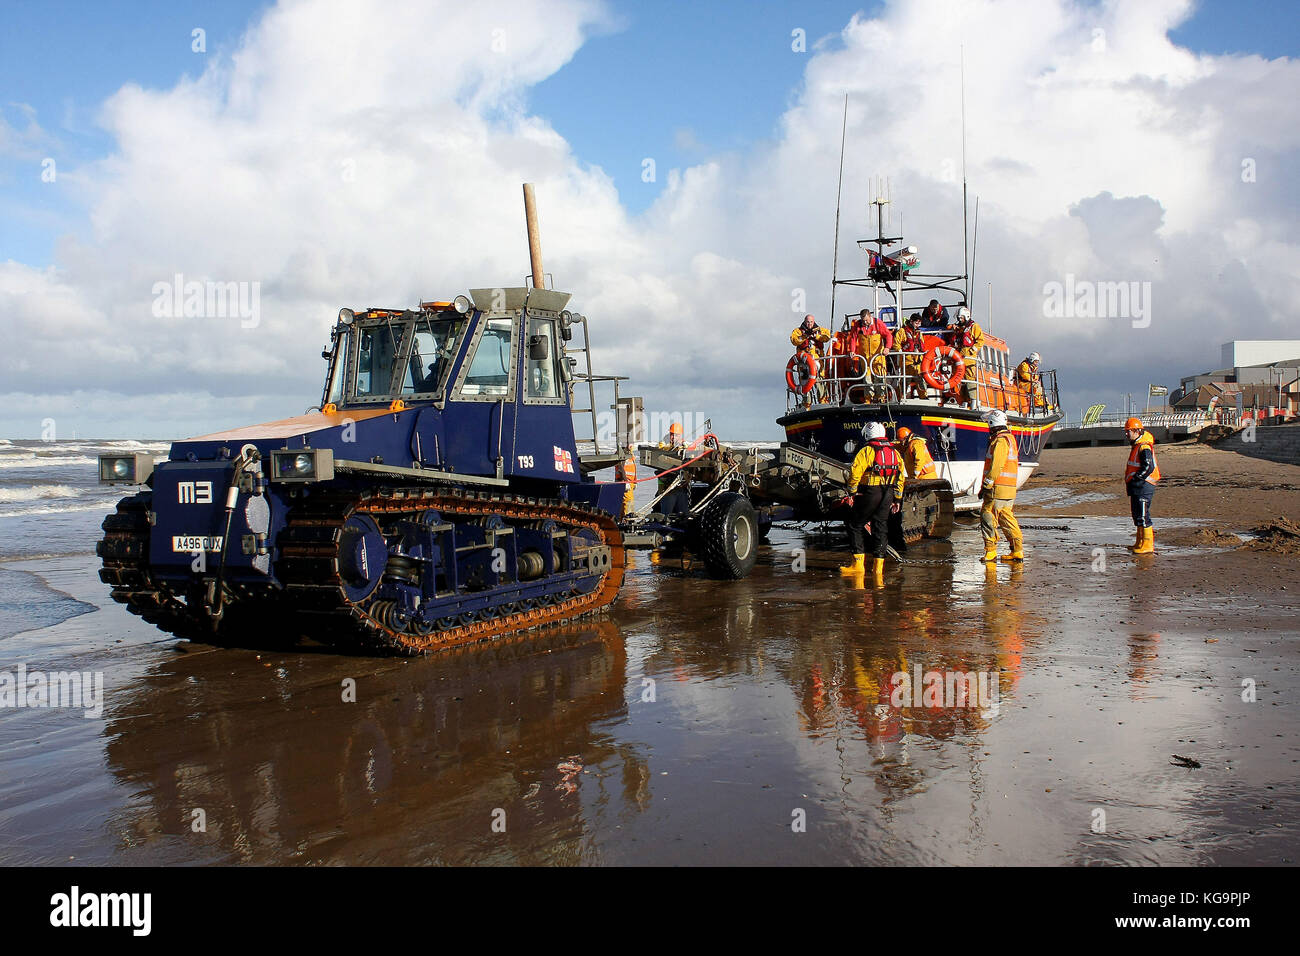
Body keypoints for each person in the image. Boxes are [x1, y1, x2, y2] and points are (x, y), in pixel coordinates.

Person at [839, 421, 905, 582]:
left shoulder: (867, 450)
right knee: (880, 526)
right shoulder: (895, 453)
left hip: (870, 492)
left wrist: (852, 492)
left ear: (867, 435)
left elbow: (855, 472)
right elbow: (901, 476)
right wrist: (897, 498)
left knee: (855, 524)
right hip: (888, 493)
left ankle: (858, 565)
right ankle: (878, 569)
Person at [979, 409, 1023, 562]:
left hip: (997, 488)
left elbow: (996, 466)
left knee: (987, 516)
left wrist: (986, 485)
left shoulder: (999, 441)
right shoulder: (1010, 439)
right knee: (1006, 518)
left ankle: (990, 551)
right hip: (1008, 489)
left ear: (992, 424)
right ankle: (1017, 550)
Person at [1123, 417, 1160, 554]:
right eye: (1126, 431)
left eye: (1129, 431)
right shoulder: (1137, 445)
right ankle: (1140, 542)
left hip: (1144, 485)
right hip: (1137, 486)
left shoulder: (1144, 446)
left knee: (1143, 515)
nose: (1127, 434)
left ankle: (1148, 544)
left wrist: (1138, 478)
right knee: (1137, 514)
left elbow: (1148, 467)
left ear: (1137, 431)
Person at [952, 307, 985, 407]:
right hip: (960, 356)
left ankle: (973, 401)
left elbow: (980, 340)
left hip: (969, 358)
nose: (959, 320)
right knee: (960, 380)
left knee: (970, 379)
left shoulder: (974, 327)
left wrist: (972, 350)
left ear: (966, 317)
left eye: (961, 318)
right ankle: (963, 401)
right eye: (959, 318)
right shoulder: (960, 328)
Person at [656, 423, 690, 516]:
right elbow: (661, 449)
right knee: (666, 514)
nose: (673, 437)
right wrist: (673, 447)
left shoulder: (683, 444)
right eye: (672, 434)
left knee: (683, 514)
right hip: (666, 486)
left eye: (676, 435)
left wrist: (682, 448)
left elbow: (690, 451)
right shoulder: (664, 442)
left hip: (680, 485)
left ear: (680, 435)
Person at [893, 313, 928, 398]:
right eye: (916, 323)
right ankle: (899, 398)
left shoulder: (919, 333)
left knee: (921, 380)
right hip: (907, 362)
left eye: (919, 323)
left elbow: (922, 344)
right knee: (904, 382)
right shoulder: (902, 331)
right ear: (911, 321)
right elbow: (896, 343)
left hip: (917, 362)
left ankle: (924, 397)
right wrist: (900, 351)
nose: (918, 325)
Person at [615, 451, 637, 517]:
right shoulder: (622, 453)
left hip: (630, 482)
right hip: (624, 482)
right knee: (628, 502)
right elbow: (621, 468)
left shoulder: (630, 454)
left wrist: (635, 481)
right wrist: (625, 481)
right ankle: (628, 520)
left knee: (623, 504)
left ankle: (621, 520)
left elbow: (634, 468)